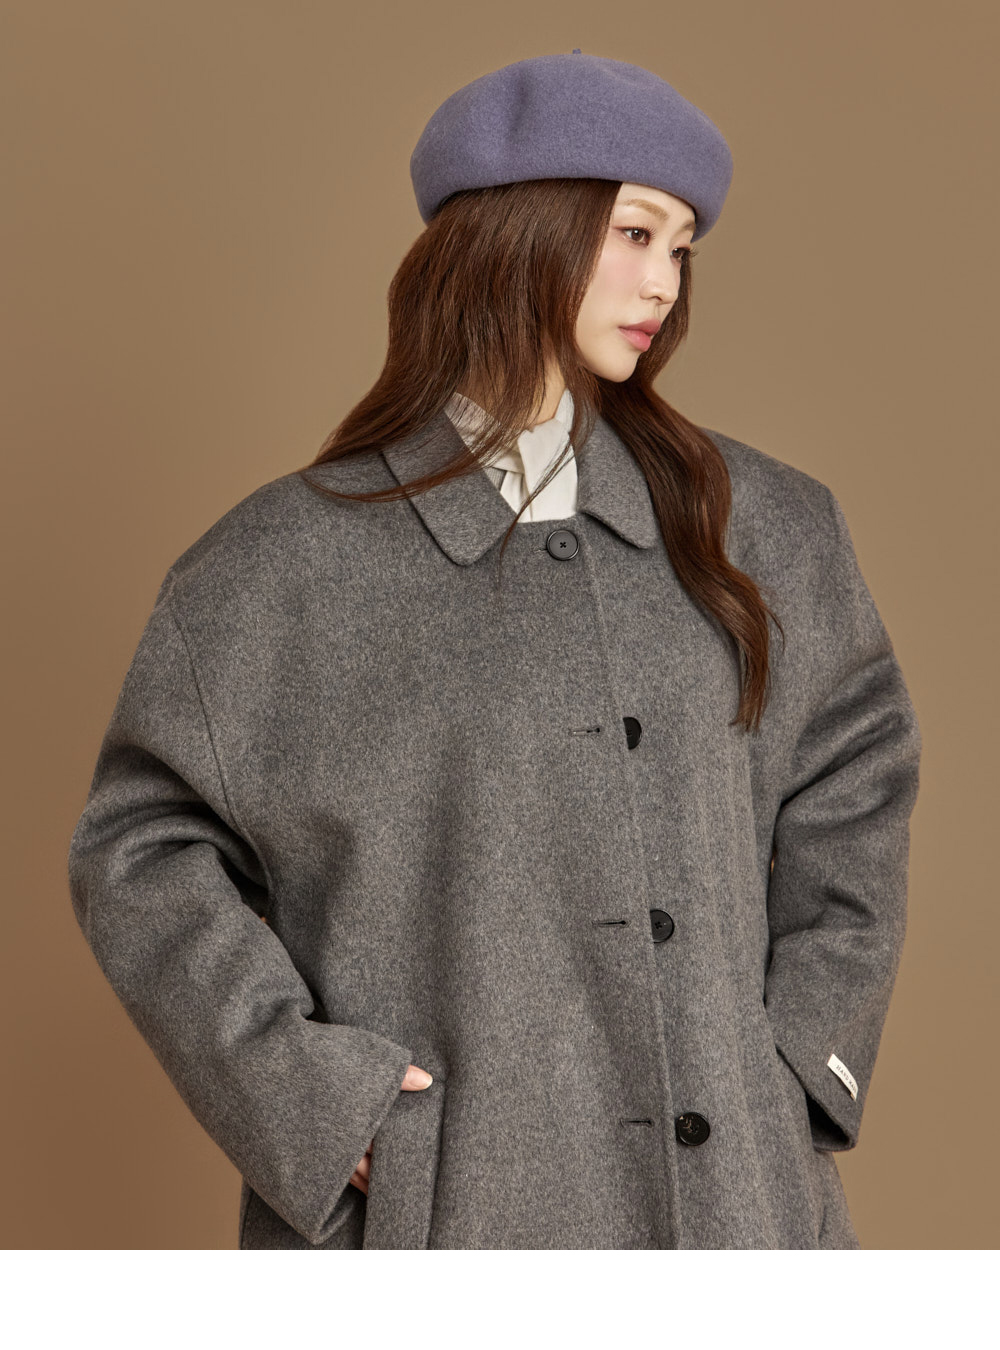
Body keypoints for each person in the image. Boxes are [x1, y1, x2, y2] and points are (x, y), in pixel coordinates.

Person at [66, 50, 922, 1249]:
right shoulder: (277, 569)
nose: (663, 281)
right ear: (516, 234)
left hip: (741, 1212)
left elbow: (856, 774)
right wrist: (308, 1102)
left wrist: (796, 1061)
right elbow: (140, 852)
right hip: (448, 1217)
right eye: (634, 233)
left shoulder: (769, 527)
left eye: (681, 248)